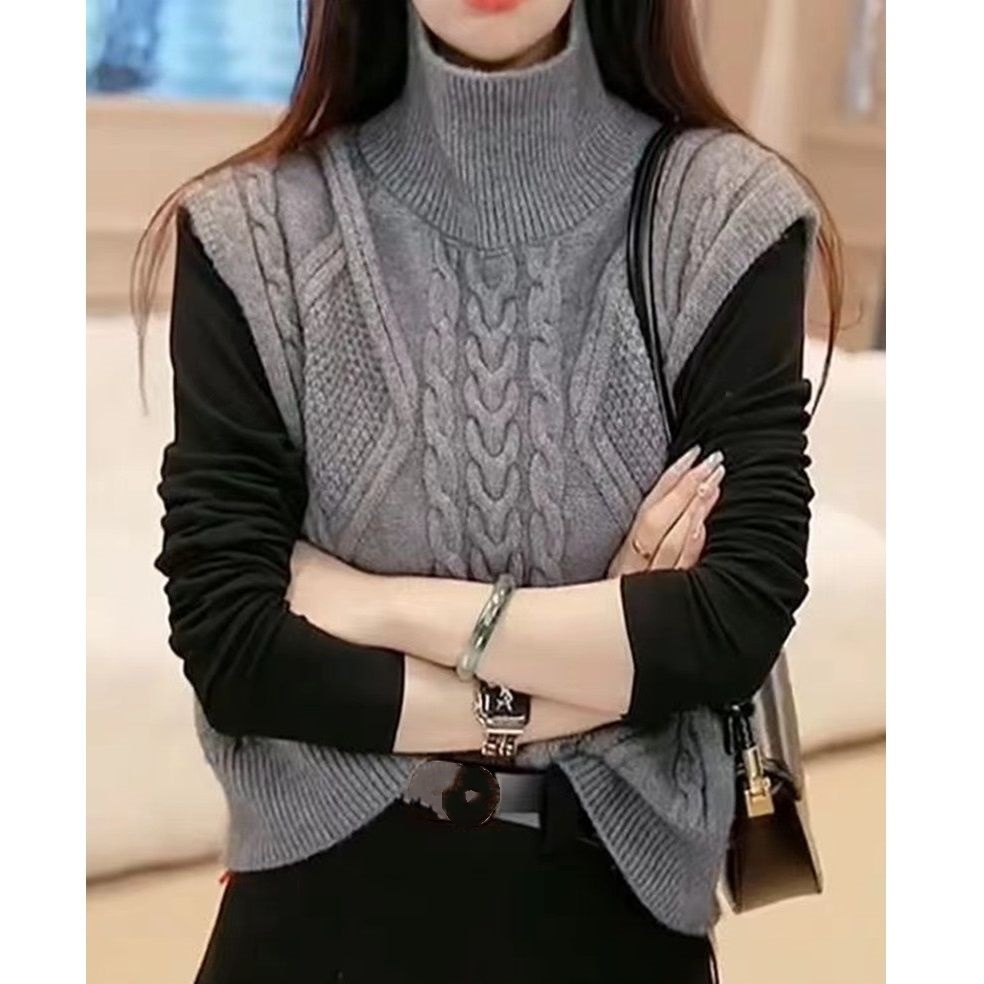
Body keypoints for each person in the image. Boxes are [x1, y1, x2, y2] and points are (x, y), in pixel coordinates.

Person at [137, 1, 842, 981]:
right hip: (314, 922)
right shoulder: (252, 231)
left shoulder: (724, 215)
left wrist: (381, 606)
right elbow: (238, 650)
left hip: (613, 918)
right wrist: (591, 662)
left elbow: (729, 626)